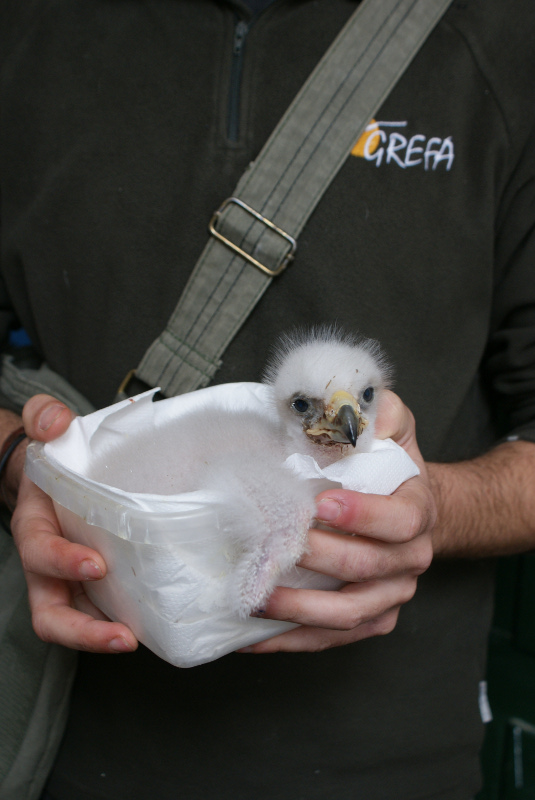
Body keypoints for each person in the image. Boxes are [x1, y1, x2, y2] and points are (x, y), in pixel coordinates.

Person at [1, 0, 535, 798]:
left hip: (386, 761)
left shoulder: (504, 36)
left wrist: (424, 508)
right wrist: (19, 458)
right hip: (57, 741)